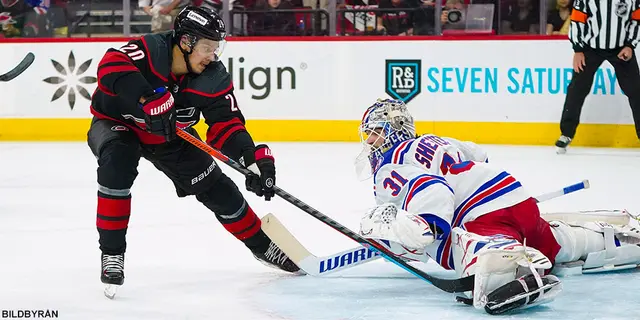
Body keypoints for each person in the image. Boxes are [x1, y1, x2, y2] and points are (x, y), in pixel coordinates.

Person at [87, 6, 300, 298]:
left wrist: (250, 159)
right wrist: (146, 96)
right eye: (207, 48)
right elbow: (110, 66)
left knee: (216, 188)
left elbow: (226, 124)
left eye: (216, 48)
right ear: (185, 42)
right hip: (117, 125)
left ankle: (262, 246)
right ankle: (112, 253)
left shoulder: (212, 76)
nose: (213, 56)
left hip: (169, 137)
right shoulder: (152, 50)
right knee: (117, 163)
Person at [355, 98, 640, 314]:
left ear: (393, 129)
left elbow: (431, 188)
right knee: (553, 240)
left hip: (484, 219)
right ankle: (609, 239)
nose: (369, 141)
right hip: (514, 196)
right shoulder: (435, 140)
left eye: (374, 133)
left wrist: (428, 223)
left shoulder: (389, 167)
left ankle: (513, 267)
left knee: (470, 250)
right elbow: (479, 155)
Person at [555, 0, 640, 153]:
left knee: (636, 91)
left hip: (621, 48)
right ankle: (566, 133)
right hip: (590, 48)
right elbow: (577, 21)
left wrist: (630, 45)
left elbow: (636, 20)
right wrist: (578, 49)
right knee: (576, 89)